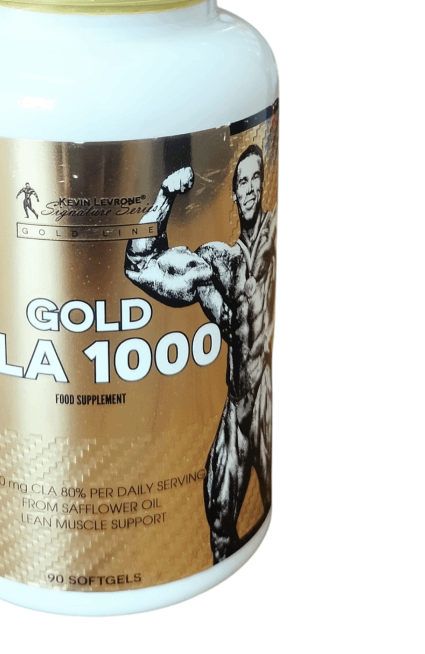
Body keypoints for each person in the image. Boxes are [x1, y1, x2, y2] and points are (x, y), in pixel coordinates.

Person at [124, 145, 275, 563]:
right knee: (219, 522)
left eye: (256, 178)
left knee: (263, 508)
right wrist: (165, 196)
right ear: (233, 193)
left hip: (264, 395)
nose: (249, 188)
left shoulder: (275, 235)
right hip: (238, 401)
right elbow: (139, 265)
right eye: (241, 181)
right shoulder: (219, 264)